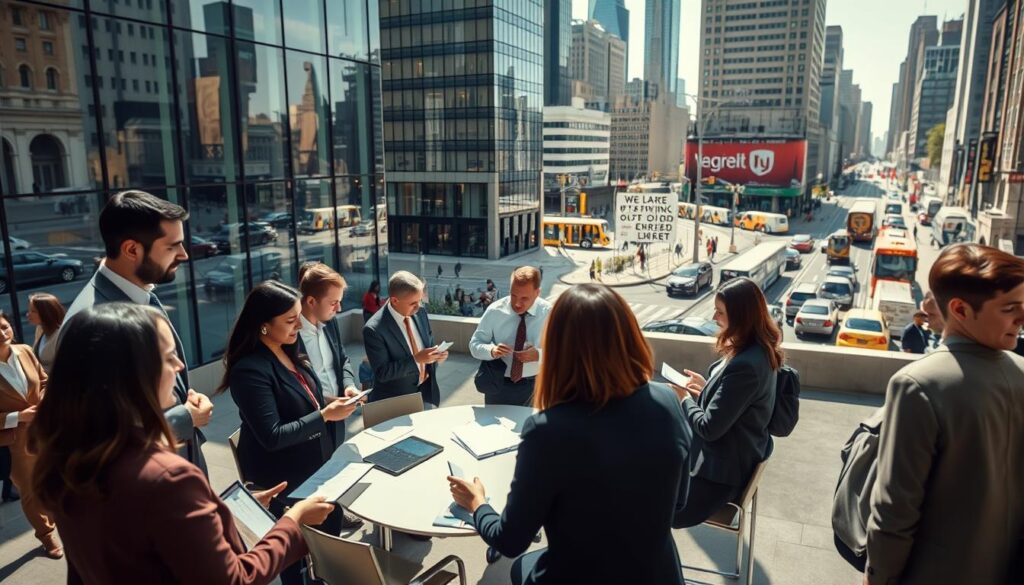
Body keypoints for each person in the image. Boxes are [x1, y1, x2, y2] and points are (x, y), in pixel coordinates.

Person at [31, 303, 334, 584]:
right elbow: (235, 579)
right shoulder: (167, 477)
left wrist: (225, 512)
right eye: (167, 356)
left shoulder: (68, 458)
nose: (178, 366)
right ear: (131, 374)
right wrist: (294, 522)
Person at [448, 284, 692, 585]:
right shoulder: (669, 402)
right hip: (657, 573)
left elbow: (510, 541)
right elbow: (679, 504)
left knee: (519, 567)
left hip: (580, 575)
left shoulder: (549, 430)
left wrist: (477, 504)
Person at [864, 244, 1024, 585]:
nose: (1022, 319)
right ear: (960, 309)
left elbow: (894, 511)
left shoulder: (917, 385)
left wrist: (876, 578)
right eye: (1011, 309)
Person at [62, 190, 212, 474]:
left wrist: (179, 395)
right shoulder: (93, 322)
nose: (184, 254)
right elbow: (100, 436)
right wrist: (186, 417)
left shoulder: (140, 293)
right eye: (172, 246)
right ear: (132, 250)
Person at [219, 281, 355, 584]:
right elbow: (273, 435)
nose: (298, 326)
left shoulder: (289, 348)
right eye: (290, 321)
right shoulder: (250, 370)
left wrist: (332, 403)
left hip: (317, 469)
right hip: (284, 480)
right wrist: (323, 415)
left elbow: (307, 399)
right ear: (264, 326)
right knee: (298, 565)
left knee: (327, 549)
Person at [670, 277, 781, 528]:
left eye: (720, 312)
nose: (714, 317)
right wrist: (706, 388)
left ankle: (649, 563)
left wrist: (684, 398)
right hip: (726, 469)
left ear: (741, 316)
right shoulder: (758, 352)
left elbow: (709, 428)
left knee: (640, 501)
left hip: (715, 482)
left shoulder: (745, 365)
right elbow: (736, 407)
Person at [295, 262, 367, 529]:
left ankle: (335, 514)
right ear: (311, 301)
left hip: (339, 410)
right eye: (333, 302)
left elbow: (343, 359)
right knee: (314, 475)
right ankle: (321, 531)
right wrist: (326, 403)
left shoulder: (330, 323)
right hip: (311, 416)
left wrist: (348, 384)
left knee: (334, 467)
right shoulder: (290, 334)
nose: (338, 308)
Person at [0, 311, 60, 558]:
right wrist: (20, 417)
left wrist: (45, 400)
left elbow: (44, 382)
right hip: (15, 442)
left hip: (46, 430)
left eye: (4, 327)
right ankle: (47, 537)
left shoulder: (24, 350)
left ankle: (63, 517)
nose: (2, 334)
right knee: (30, 491)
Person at [363, 271, 448, 407]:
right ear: (395, 300)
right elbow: (383, 373)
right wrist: (416, 360)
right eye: (413, 303)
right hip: (395, 403)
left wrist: (436, 356)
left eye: (420, 300)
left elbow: (427, 347)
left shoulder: (420, 313)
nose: (418, 306)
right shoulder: (374, 329)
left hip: (426, 394)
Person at [469, 267, 551, 406]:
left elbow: (565, 353)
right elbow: (474, 345)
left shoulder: (550, 313)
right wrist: (491, 351)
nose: (517, 303)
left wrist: (539, 355)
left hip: (535, 386)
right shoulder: (495, 311)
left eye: (524, 298)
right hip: (497, 384)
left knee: (530, 427)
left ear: (538, 292)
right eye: (513, 295)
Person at [26, 293, 65, 374]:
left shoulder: (61, 335)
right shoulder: (40, 329)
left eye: (33, 311)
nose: (28, 314)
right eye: (28, 310)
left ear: (46, 313)